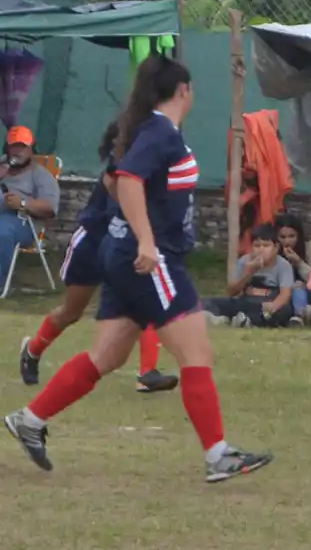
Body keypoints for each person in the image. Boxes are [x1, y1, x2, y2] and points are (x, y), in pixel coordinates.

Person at [4, 54, 271, 482]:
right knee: (196, 352)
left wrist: (134, 225)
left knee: (107, 356)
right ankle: (219, 454)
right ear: (183, 90)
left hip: (126, 254)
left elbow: (116, 179)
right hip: (151, 258)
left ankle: (29, 421)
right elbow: (126, 179)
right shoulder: (160, 132)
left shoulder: (150, 129)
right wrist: (145, 238)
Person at [19, 121, 178, 393]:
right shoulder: (123, 163)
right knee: (71, 313)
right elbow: (114, 183)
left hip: (124, 244)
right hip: (93, 242)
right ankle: (32, 351)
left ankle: (147, 373)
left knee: (146, 299)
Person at [0, 125, 60, 287]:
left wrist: (23, 203)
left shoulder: (40, 175)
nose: (17, 151)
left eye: (22, 147)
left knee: (2, 231)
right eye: (13, 147)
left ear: (31, 149)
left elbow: (49, 208)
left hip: (21, 221)